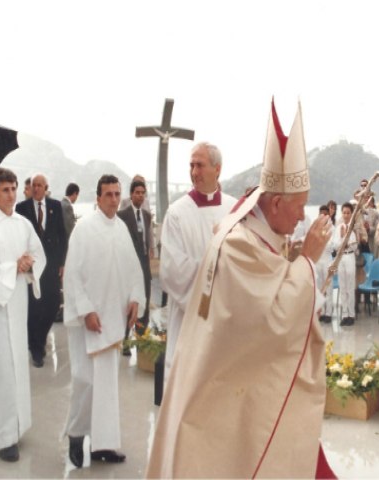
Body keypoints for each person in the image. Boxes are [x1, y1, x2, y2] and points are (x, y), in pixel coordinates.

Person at [146, 101, 336, 478]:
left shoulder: (251, 229)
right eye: (299, 207)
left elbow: (266, 292)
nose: (302, 217)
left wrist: (293, 262)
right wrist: (309, 262)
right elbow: (272, 318)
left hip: (237, 375)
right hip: (223, 385)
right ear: (276, 202)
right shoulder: (239, 243)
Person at [63, 174, 146, 468]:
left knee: (108, 385)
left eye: (116, 194)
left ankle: (104, 445)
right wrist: (85, 310)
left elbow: (134, 269)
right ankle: (76, 435)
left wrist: (136, 298)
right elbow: (72, 274)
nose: (113, 199)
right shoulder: (83, 229)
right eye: (107, 194)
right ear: (97, 198)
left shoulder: (122, 228)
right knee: (85, 381)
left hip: (112, 318)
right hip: (90, 321)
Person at [0, 167, 46, 462]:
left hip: (18, 305)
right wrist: (11, 268)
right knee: (1, 369)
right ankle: (1, 437)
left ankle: (15, 426)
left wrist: (29, 263)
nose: (12, 194)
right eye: (5, 190)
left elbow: (38, 254)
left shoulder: (23, 223)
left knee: (15, 367)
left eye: (14, 188)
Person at [159, 142, 237, 383]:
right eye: (191, 165)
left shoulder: (234, 209)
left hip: (225, 322)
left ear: (218, 169)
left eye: (200, 165)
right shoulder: (177, 213)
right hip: (188, 320)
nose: (194, 172)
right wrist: (215, 280)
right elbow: (172, 271)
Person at [16, 174, 67, 368]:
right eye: (33, 185)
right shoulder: (22, 208)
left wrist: (62, 262)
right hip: (33, 266)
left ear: (46, 188)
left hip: (52, 264)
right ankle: (36, 348)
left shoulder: (55, 206)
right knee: (34, 306)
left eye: (40, 185)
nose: (36, 188)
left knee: (53, 303)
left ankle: (39, 337)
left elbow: (62, 235)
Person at [117, 179, 154, 354]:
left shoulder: (147, 215)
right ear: (131, 195)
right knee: (128, 301)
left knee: (143, 301)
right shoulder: (122, 215)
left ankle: (140, 338)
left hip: (144, 265)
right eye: (137, 192)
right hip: (128, 265)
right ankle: (125, 340)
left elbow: (148, 240)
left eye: (142, 193)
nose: (140, 195)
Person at [333, 202, 358, 326]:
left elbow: (355, 246)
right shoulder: (338, 229)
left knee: (350, 286)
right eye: (344, 212)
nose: (346, 215)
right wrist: (343, 237)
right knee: (342, 286)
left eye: (348, 213)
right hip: (341, 257)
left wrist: (347, 242)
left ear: (351, 214)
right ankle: (344, 314)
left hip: (350, 256)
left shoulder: (353, 227)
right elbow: (335, 246)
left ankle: (351, 314)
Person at [316, 205, 335, 323]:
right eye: (321, 214)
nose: (323, 216)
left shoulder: (332, 229)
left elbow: (332, 246)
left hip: (327, 258)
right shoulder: (316, 228)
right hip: (318, 260)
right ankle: (321, 311)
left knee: (328, 287)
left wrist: (322, 242)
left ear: (329, 215)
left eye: (325, 214)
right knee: (319, 288)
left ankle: (328, 312)